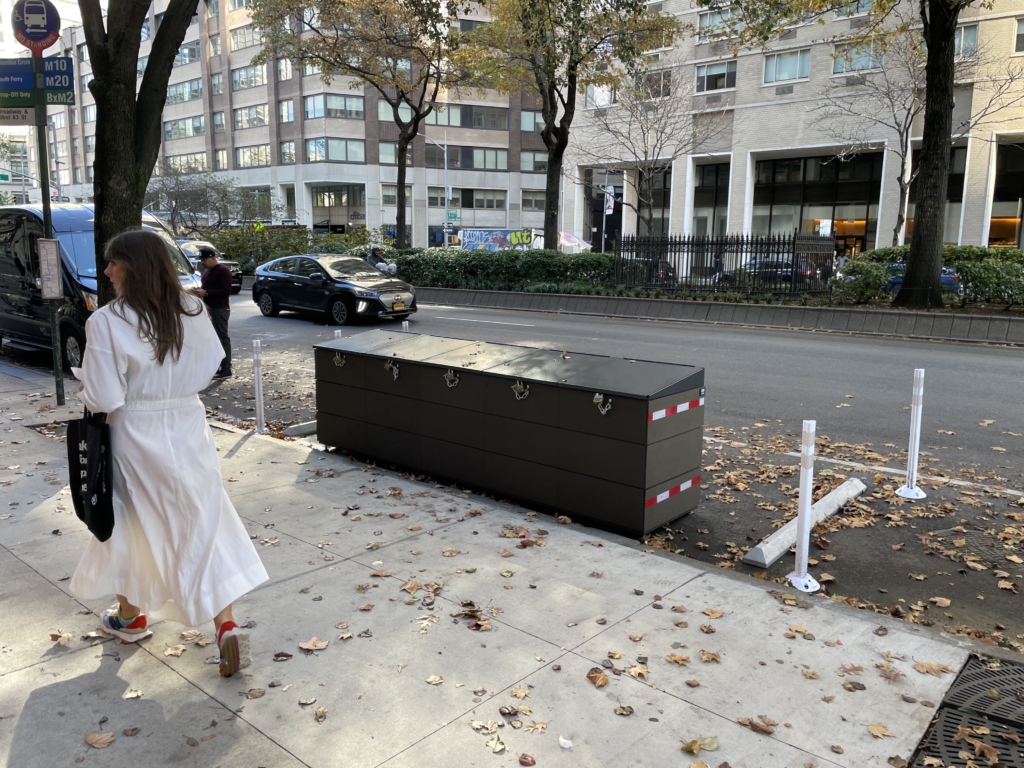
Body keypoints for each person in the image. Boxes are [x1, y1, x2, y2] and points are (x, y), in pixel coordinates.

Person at [69, 230, 269, 678]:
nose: (106, 272)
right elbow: (210, 363)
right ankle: (227, 623)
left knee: (131, 522)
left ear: (133, 267)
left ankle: (131, 615)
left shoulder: (106, 321)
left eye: (113, 263)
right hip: (187, 426)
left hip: (133, 434)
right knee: (202, 517)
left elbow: (103, 396)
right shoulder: (193, 310)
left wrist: (85, 381)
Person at [192, 246, 233, 379]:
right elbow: (206, 287)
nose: (203, 263)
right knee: (213, 338)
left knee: (222, 337)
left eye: (205, 260)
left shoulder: (222, 270)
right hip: (209, 308)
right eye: (201, 260)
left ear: (213, 258)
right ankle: (217, 366)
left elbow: (226, 290)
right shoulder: (206, 271)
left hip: (220, 308)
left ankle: (226, 368)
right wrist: (199, 290)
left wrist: (207, 293)